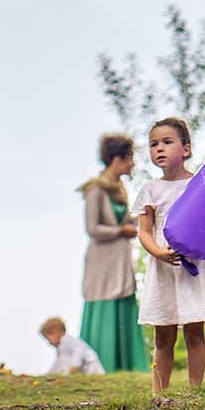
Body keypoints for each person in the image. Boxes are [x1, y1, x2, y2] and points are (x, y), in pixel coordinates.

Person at [134, 117, 205, 394]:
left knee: (194, 332)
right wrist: (159, 253)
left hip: (195, 267)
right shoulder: (150, 190)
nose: (159, 148)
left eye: (167, 142)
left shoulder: (202, 185)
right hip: (164, 268)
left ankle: (195, 391)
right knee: (163, 335)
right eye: (153, 144)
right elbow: (144, 232)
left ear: (186, 149)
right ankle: (160, 393)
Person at [80, 133, 149, 372]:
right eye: (129, 157)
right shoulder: (95, 189)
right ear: (117, 159)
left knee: (124, 297)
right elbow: (92, 228)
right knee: (105, 300)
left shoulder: (120, 189)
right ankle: (103, 364)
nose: (132, 163)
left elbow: (126, 220)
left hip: (120, 257)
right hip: (102, 260)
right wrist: (121, 230)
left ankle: (127, 364)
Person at [39, 316, 105, 375]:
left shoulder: (66, 341)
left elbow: (78, 352)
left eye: (48, 339)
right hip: (88, 369)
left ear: (56, 332)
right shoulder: (63, 345)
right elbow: (59, 364)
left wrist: (73, 366)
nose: (49, 342)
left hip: (91, 367)